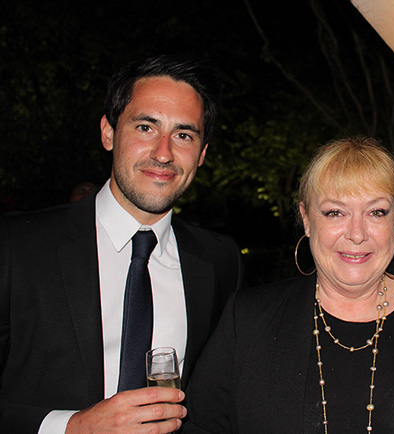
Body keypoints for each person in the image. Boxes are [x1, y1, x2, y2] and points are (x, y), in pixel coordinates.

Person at [182, 137, 394, 433]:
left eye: (376, 212)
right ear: (307, 219)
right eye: (335, 212)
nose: (356, 234)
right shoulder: (247, 322)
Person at [0, 55, 244, 434]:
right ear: (108, 133)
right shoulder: (16, 247)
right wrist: (71, 427)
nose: (163, 153)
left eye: (183, 135)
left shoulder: (220, 261)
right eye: (146, 127)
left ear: (202, 154)